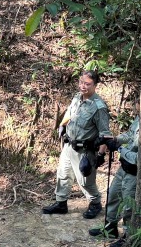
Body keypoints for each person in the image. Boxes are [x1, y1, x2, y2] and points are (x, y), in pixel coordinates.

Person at [90, 96, 141, 247]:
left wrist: (119, 149)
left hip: (137, 173)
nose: (137, 114)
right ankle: (110, 228)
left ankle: (128, 236)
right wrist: (114, 139)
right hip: (125, 167)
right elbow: (130, 134)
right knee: (113, 195)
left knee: (129, 206)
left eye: (140, 112)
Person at [41, 70, 111, 219]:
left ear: (95, 85)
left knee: (85, 181)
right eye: (81, 82)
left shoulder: (99, 107)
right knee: (63, 175)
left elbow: (105, 134)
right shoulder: (77, 98)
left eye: (87, 84)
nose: (83, 86)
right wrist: (62, 124)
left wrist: (100, 154)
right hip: (69, 145)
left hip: (85, 151)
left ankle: (95, 203)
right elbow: (70, 112)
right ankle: (61, 203)